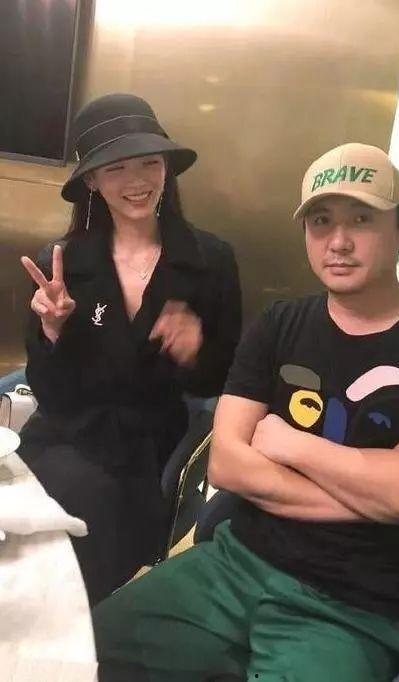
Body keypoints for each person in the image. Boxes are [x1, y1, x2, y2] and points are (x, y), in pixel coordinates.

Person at [92, 143, 399, 681]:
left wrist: (292, 445)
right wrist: (382, 488)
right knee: (82, 652)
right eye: (321, 222)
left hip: (354, 607)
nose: (339, 242)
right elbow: (227, 466)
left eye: (362, 220)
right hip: (235, 567)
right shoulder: (279, 325)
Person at [17, 93, 242, 606]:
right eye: (115, 168)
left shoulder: (210, 260)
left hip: (150, 444)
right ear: (92, 182)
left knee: (96, 522)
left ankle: (90, 629)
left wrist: (194, 351)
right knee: (46, 525)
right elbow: (49, 392)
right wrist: (52, 331)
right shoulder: (61, 262)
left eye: (149, 163)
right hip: (66, 434)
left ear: (166, 169)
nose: (136, 180)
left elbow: (225, 380)